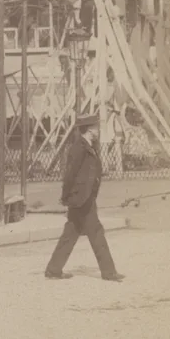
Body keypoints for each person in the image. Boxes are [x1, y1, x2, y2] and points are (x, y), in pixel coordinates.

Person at [45, 113, 124, 282]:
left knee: (70, 234)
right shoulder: (79, 148)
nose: (98, 129)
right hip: (81, 199)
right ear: (89, 129)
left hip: (83, 197)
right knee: (96, 232)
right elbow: (70, 174)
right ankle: (109, 272)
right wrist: (66, 196)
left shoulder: (88, 146)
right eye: (96, 127)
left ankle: (53, 269)